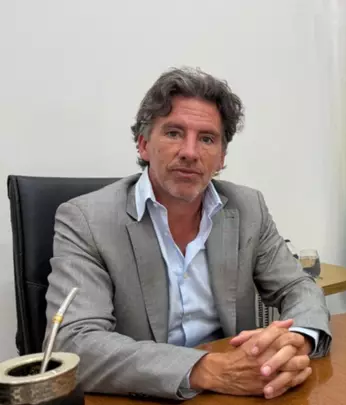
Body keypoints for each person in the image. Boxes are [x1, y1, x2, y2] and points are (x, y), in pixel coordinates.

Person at [44, 67, 331, 400]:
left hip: (239, 391)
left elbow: (297, 287)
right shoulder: (86, 220)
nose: (190, 152)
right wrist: (206, 369)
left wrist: (298, 340)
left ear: (221, 158)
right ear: (143, 145)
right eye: (174, 133)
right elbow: (74, 343)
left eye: (207, 139)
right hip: (142, 394)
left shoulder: (248, 208)